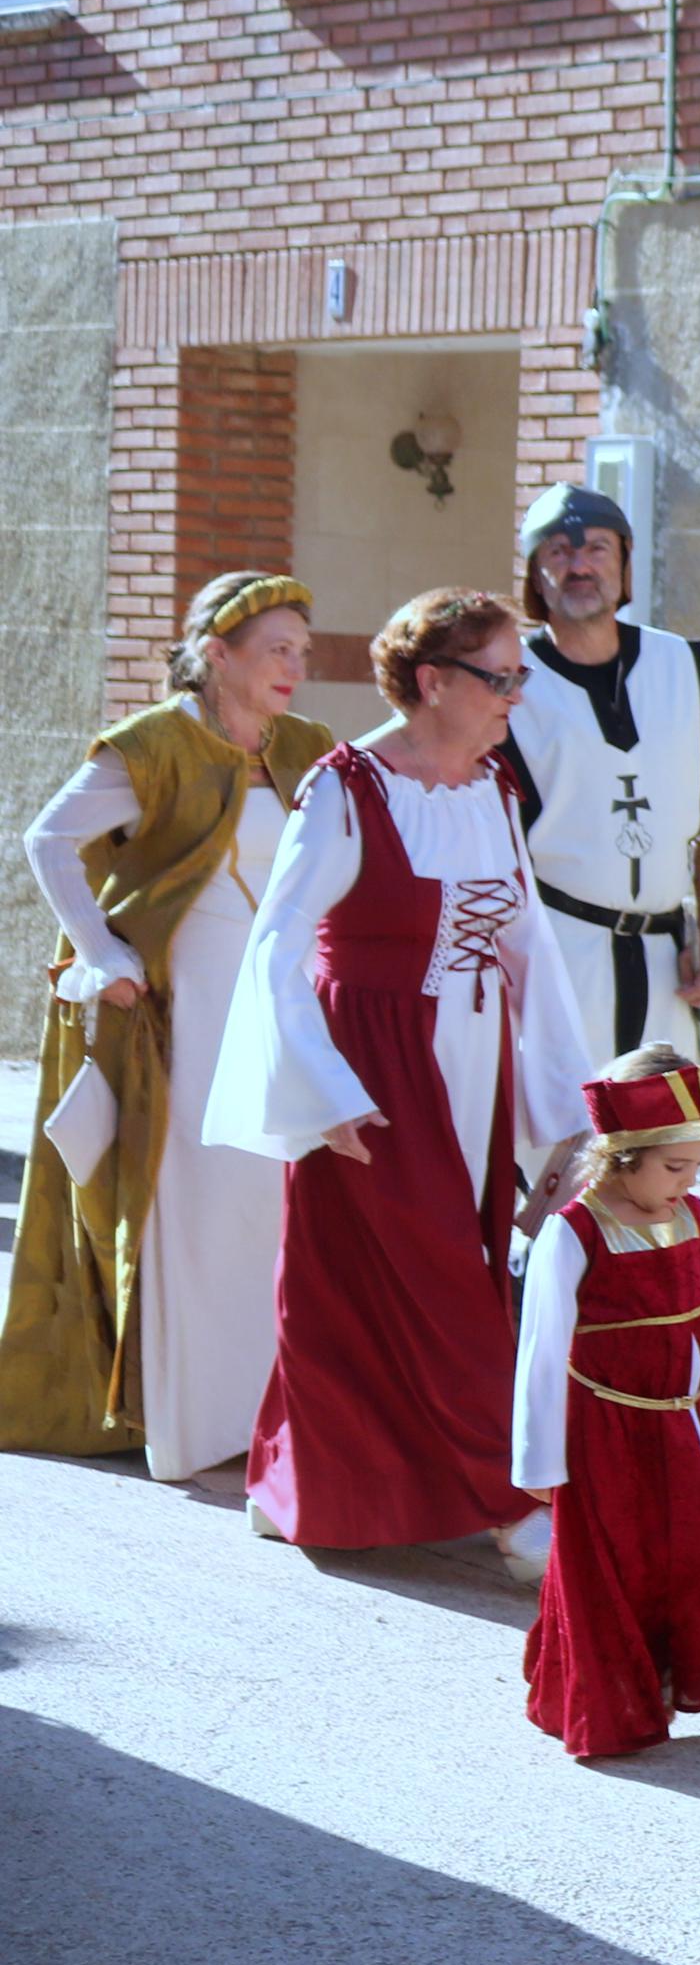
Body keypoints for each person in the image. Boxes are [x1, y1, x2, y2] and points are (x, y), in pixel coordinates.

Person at [211, 587, 589, 1557]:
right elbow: (275, 948)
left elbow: (525, 946)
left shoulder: (495, 787)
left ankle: (296, 1476)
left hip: (473, 1065)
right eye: (500, 675)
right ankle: (512, 1504)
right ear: (434, 682)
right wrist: (320, 1090)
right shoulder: (348, 788)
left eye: (519, 675)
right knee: (429, 1284)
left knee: (388, 1282)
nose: (517, 693)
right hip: (371, 1063)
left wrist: (568, 1105)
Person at [0, 572, 336, 1477]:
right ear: (215, 654)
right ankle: (195, 1420)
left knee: (273, 1201)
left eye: (303, 652)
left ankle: (275, 1418)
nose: (294, 668)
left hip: (278, 996)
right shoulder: (152, 744)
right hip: (185, 1001)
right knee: (199, 1198)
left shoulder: (305, 746)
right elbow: (46, 839)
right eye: (277, 649)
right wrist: (101, 953)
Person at [513, 1048, 700, 1762]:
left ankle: (669, 1680)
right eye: (674, 1166)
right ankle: (612, 1707)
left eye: (698, 1164)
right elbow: (543, 1352)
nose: (689, 1180)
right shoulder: (573, 1232)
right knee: (611, 1570)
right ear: (620, 1155)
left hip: (680, 1422)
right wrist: (538, 1458)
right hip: (601, 1430)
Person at [501, 484, 700, 1065]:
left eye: (597, 549)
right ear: (534, 573)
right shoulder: (506, 681)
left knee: (663, 1144)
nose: (579, 566)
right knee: (557, 1148)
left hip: (663, 963)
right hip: (558, 955)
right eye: (558, 552)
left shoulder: (678, 664)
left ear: (625, 563)